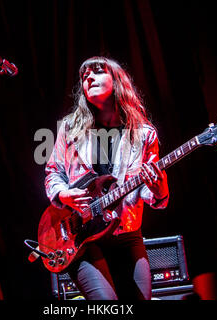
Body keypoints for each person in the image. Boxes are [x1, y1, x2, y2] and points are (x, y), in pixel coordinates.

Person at [44, 56, 169, 300]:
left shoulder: (144, 135)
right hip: (82, 238)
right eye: (84, 76)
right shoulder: (70, 129)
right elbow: (53, 173)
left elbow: (143, 190)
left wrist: (159, 189)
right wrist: (64, 194)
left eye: (97, 72)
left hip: (126, 234)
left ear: (117, 80)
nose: (88, 78)